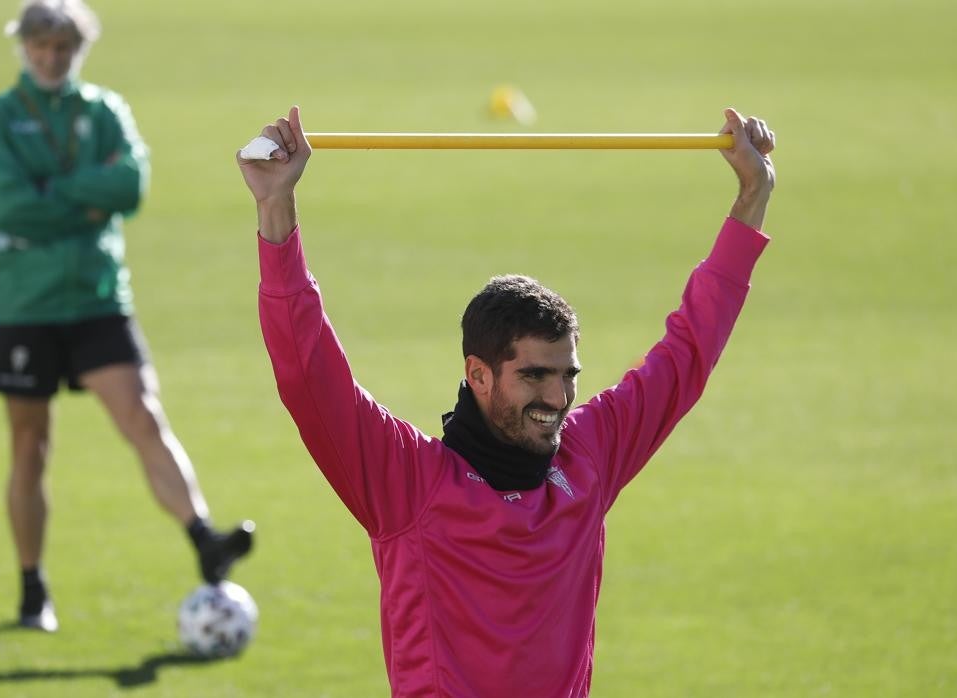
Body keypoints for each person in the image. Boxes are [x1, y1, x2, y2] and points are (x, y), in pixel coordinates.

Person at [238, 105, 774, 696]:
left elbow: (686, 354)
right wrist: (275, 209)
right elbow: (308, 373)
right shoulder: (408, 484)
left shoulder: (588, 459)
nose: (558, 397)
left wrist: (752, 196)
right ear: (479, 374)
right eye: (535, 375)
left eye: (568, 374)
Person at [0, 0, 253, 633]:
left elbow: (129, 187)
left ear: (80, 48)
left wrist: (52, 193)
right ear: (23, 47)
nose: (52, 58)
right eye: (41, 47)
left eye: (64, 47)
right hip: (27, 304)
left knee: (144, 416)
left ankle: (203, 538)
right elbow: (5, 205)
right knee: (30, 448)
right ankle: (31, 586)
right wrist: (82, 199)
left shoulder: (103, 111)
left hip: (98, 296)